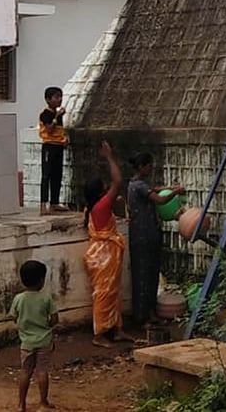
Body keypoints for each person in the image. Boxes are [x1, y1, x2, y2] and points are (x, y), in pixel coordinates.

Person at [84, 140, 134, 348]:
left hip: (106, 253)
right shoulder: (101, 206)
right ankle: (99, 334)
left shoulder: (96, 205)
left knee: (114, 292)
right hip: (103, 255)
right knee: (104, 294)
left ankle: (116, 329)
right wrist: (109, 157)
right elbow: (118, 180)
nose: (107, 187)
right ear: (100, 191)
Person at [127, 153, 185, 328]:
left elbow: (155, 190)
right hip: (142, 236)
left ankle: (150, 313)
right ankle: (141, 316)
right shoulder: (138, 186)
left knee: (151, 275)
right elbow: (159, 199)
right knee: (143, 276)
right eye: (150, 166)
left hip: (148, 234)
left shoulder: (137, 184)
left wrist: (169, 187)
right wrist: (175, 192)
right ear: (142, 166)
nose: (152, 169)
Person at [11, 260, 57, 412]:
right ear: (41, 280)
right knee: (42, 371)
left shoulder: (18, 299)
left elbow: (14, 317)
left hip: (26, 343)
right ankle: (43, 402)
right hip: (44, 341)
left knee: (25, 372)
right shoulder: (46, 298)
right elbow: (54, 319)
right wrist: (47, 326)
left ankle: (21, 404)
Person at [38, 86, 69, 215]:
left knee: (57, 175)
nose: (59, 100)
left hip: (58, 146)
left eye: (60, 97)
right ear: (48, 99)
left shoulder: (58, 114)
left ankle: (54, 203)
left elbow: (59, 131)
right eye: (56, 97)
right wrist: (56, 116)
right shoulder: (46, 113)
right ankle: (43, 204)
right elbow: (50, 129)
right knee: (47, 175)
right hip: (49, 146)